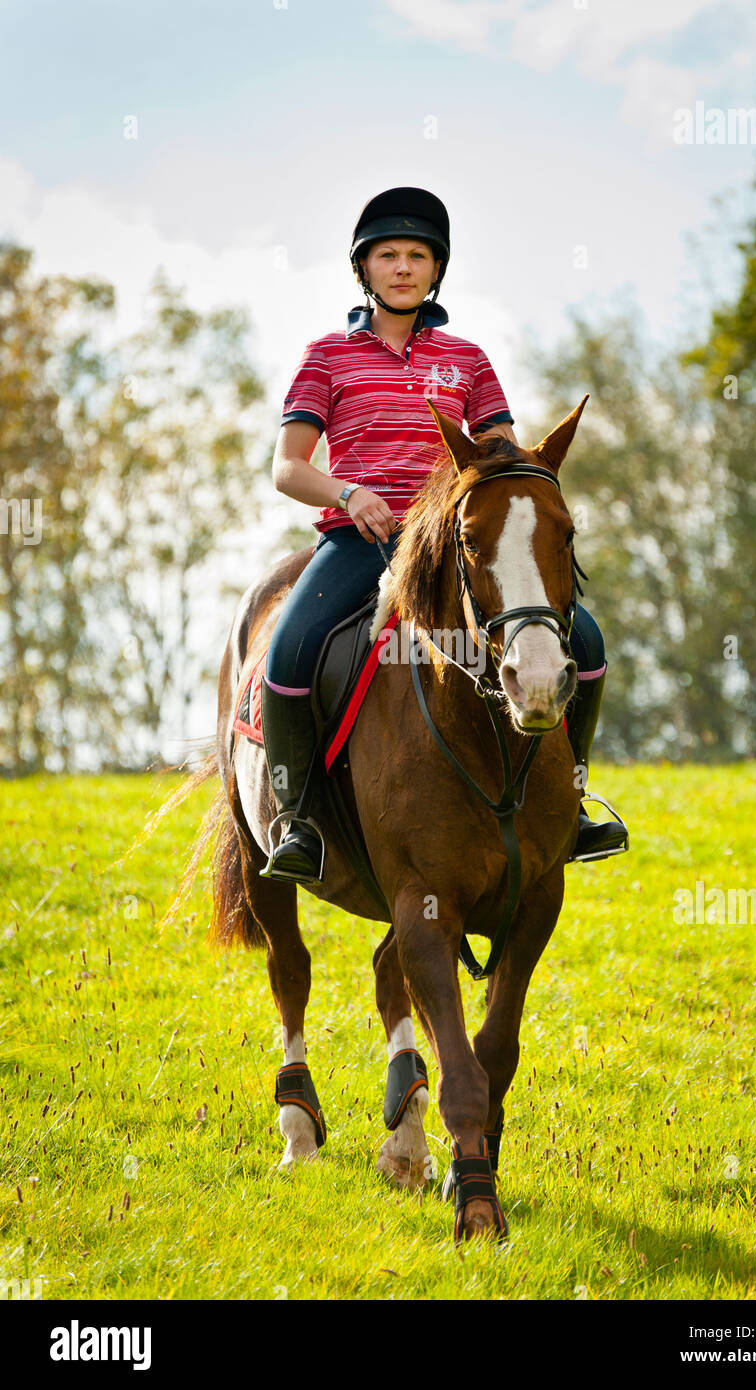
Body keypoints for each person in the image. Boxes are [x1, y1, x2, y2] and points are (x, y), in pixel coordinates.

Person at [260, 187, 628, 881]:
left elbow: (502, 457)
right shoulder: (327, 357)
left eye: (417, 256)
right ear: (362, 269)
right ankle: (297, 817)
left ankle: (572, 800)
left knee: (584, 640)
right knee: (291, 648)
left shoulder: (468, 359)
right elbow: (287, 468)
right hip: (357, 540)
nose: (402, 267)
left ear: (437, 270)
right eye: (387, 255)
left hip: (454, 547)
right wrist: (349, 492)